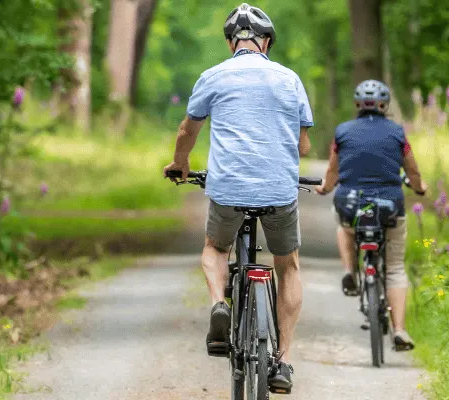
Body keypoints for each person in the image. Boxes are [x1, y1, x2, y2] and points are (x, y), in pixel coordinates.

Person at [162, 3, 313, 393]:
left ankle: (219, 304)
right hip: (279, 191)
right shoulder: (290, 79)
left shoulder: (213, 76)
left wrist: (180, 164)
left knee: (215, 248)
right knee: (289, 265)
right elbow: (304, 143)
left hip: (228, 189)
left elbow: (187, 131)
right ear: (266, 42)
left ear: (232, 43)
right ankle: (284, 363)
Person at [315, 79, 426, 352]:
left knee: (343, 226)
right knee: (396, 268)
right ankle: (399, 330)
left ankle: (349, 270)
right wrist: (420, 187)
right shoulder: (398, 133)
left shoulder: (342, 132)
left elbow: (332, 171)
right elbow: (412, 172)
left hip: (351, 204)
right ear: (384, 105)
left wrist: (326, 187)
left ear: (357, 104)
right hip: (389, 206)